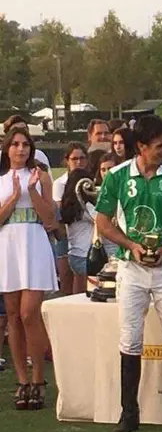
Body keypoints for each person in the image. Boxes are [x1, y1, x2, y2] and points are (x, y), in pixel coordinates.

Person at [95, 114, 162, 432]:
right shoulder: (115, 176)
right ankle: (129, 413)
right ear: (140, 146)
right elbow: (102, 222)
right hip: (131, 268)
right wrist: (131, 245)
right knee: (130, 340)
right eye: (159, 145)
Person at [0, 124, 58, 410]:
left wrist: (32, 191)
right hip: (8, 246)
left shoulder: (41, 177)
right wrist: (12, 197)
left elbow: (51, 219)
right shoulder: (1, 180)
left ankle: (38, 379)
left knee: (28, 313)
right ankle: (22, 380)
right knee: (13, 314)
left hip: (34, 243)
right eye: (15, 144)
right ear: (7, 148)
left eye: (25, 144)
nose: (21, 149)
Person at [52, 143, 89, 296]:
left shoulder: (89, 179)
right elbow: (62, 212)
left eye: (82, 158)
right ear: (67, 160)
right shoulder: (60, 183)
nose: (78, 162)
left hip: (82, 237)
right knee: (67, 282)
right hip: (66, 233)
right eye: (74, 159)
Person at [60, 168, 96, 294]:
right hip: (86, 256)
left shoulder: (69, 207)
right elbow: (102, 220)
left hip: (74, 254)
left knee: (78, 292)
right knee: (88, 294)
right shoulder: (85, 207)